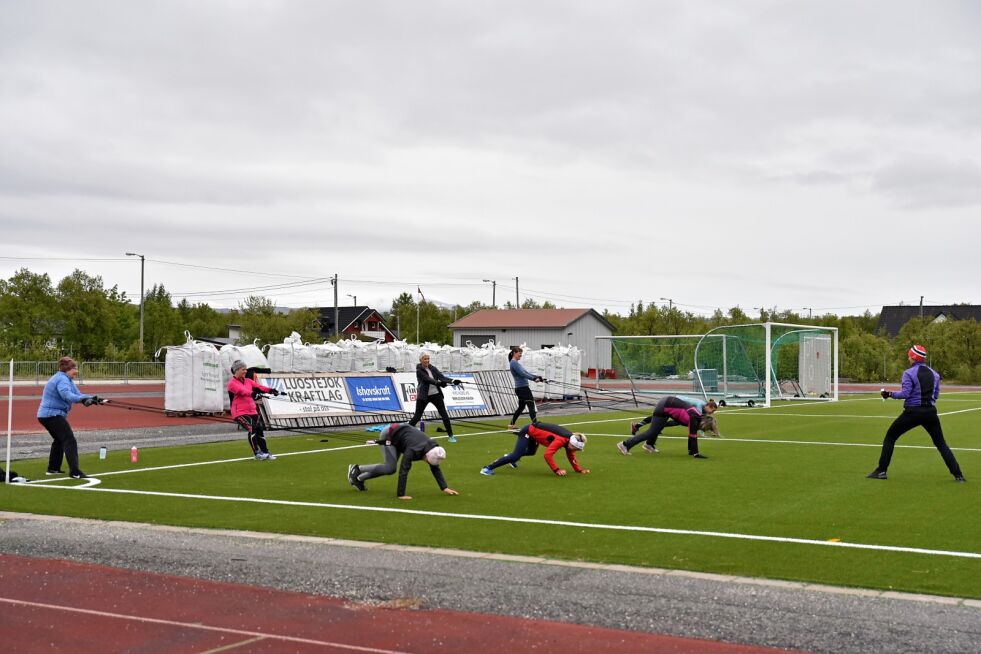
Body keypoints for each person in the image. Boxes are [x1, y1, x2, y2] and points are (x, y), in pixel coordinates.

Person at [867, 345, 965, 482]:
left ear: (913, 357)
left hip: (912, 412)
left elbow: (905, 393)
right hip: (930, 412)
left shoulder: (908, 373)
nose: (908, 358)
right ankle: (958, 475)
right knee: (941, 443)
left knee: (890, 437)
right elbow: (935, 395)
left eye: (909, 356)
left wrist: (889, 394)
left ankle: (881, 471)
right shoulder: (935, 374)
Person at [348, 422, 459, 499]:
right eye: (428, 461)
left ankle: (359, 479)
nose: (428, 463)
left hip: (401, 439)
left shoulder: (433, 449)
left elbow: (435, 468)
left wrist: (444, 488)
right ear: (426, 456)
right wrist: (401, 494)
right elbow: (404, 470)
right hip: (390, 435)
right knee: (390, 467)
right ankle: (357, 469)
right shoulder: (413, 450)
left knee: (390, 469)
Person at [36, 356, 103, 479]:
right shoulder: (61, 379)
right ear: (68, 369)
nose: (76, 371)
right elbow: (67, 396)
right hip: (51, 415)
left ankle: (53, 468)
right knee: (69, 440)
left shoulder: (67, 379)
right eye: (75, 368)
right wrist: (83, 399)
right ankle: (75, 471)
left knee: (59, 440)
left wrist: (93, 399)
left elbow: (78, 395)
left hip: (47, 415)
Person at [616, 395, 715, 458]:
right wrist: (696, 454)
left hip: (668, 404)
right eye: (705, 428)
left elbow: (692, 435)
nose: (704, 429)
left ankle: (649, 444)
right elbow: (693, 436)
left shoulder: (697, 417)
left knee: (657, 428)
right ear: (703, 424)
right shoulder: (694, 418)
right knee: (652, 431)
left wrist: (692, 451)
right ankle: (625, 444)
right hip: (665, 405)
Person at [481, 422, 589, 476]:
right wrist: (557, 470)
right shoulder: (561, 440)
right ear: (572, 443)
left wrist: (578, 470)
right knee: (516, 455)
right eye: (575, 448)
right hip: (528, 431)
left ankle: (509, 458)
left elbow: (571, 456)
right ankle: (487, 468)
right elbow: (547, 455)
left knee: (531, 452)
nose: (575, 451)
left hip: (535, 434)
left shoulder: (569, 440)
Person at [227, 359, 281, 460]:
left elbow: (259, 387)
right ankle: (257, 453)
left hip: (252, 411)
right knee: (252, 427)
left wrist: (271, 390)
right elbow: (242, 391)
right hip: (239, 413)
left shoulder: (248, 381)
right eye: (243, 369)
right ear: (237, 370)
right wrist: (253, 393)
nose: (246, 371)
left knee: (259, 430)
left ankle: (265, 452)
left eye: (246, 369)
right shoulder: (232, 384)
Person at [408, 353, 461, 443]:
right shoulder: (419, 370)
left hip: (436, 394)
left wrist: (452, 381)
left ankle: (451, 436)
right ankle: (404, 431)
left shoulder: (432, 368)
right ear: (421, 360)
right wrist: (439, 383)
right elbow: (428, 379)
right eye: (425, 359)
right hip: (423, 396)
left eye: (428, 359)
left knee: (444, 415)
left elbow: (442, 377)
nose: (427, 361)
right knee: (417, 416)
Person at [631, 397, 721, 437]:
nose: (712, 413)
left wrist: (712, 431)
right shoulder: (699, 405)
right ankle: (637, 426)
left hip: (679, 407)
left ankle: (639, 426)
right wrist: (702, 434)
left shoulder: (703, 406)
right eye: (712, 410)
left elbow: (703, 420)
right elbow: (698, 421)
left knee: (675, 421)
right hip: (674, 403)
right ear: (709, 406)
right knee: (657, 417)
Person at [507, 347, 544, 430]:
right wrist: (534, 379)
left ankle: (512, 424)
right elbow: (522, 374)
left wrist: (536, 377)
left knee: (521, 407)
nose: (521, 355)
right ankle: (535, 424)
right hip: (523, 388)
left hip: (520, 388)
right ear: (514, 353)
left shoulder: (516, 363)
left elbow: (526, 373)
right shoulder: (514, 363)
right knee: (531, 405)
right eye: (519, 353)